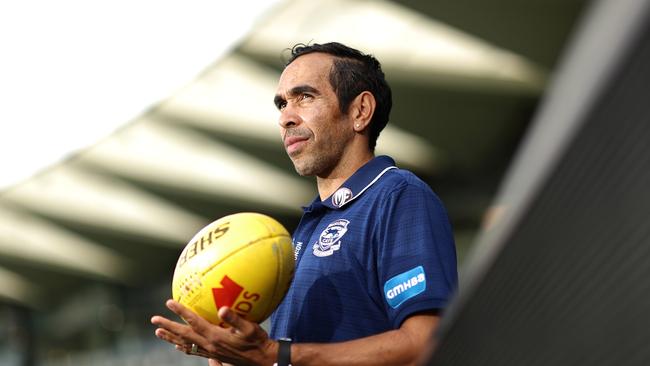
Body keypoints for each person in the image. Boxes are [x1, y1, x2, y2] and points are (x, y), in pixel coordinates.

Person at [151, 42, 458, 366]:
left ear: (360, 111)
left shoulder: (396, 195)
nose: (285, 117)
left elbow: (427, 343)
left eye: (305, 97)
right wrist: (232, 356)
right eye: (282, 104)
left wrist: (277, 355)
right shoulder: (302, 232)